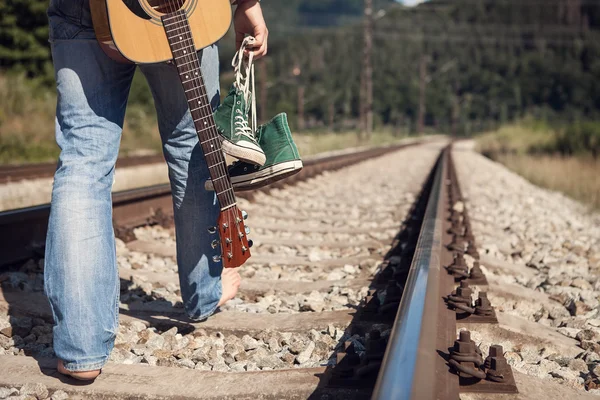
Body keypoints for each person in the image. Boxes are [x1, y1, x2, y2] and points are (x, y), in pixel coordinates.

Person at [44, 0, 268, 381]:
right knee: (192, 147)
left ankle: (81, 349)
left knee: (84, 158)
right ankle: (205, 293)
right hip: (179, 9)